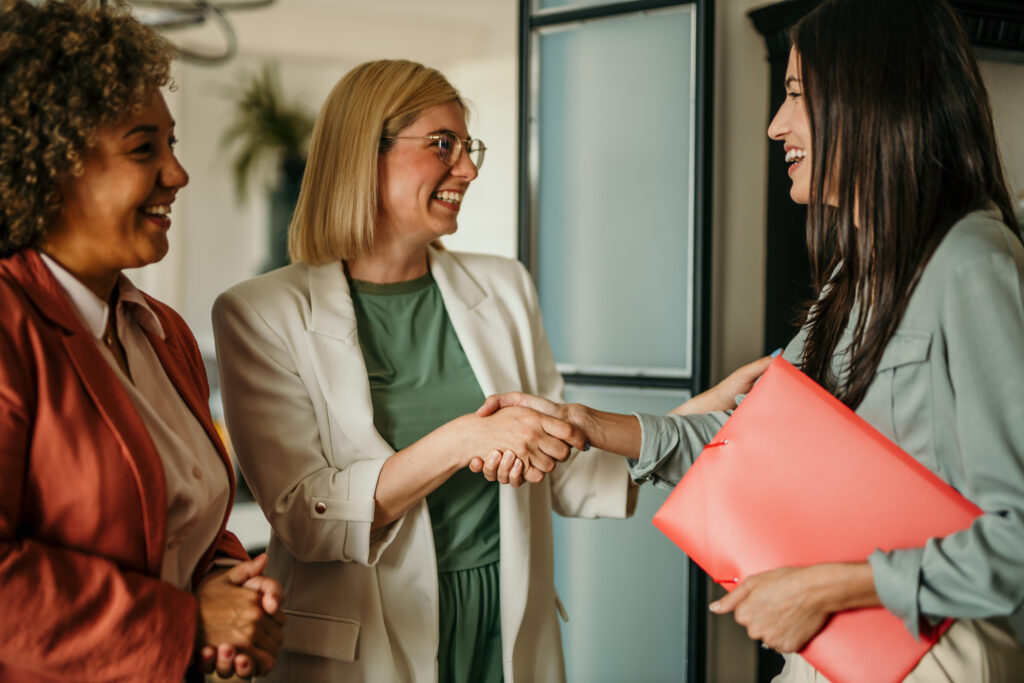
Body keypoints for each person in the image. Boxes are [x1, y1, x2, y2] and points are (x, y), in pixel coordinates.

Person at [481, 0, 1024, 680]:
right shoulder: (853, 277)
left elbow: (1015, 540)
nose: (776, 125)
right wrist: (589, 424)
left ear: (870, 98)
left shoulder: (972, 260)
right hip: (830, 657)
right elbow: (748, 448)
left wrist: (827, 585)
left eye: (795, 96)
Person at [212, 59, 653, 682]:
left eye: (468, 147)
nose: (467, 168)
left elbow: (568, 473)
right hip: (368, 641)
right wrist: (462, 439)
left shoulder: (504, 286)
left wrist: (688, 427)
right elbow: (303, 514)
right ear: (365, 154)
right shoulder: (258, 313)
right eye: (442, 145)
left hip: (504, 625)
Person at [0, 1, 284, 679]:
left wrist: (232, 589)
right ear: (51, 164)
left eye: (172, 143)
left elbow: (185, 517)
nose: (177, 173)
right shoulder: (9, 327)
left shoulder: (163, 332)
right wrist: (187, 622)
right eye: (143, 148)